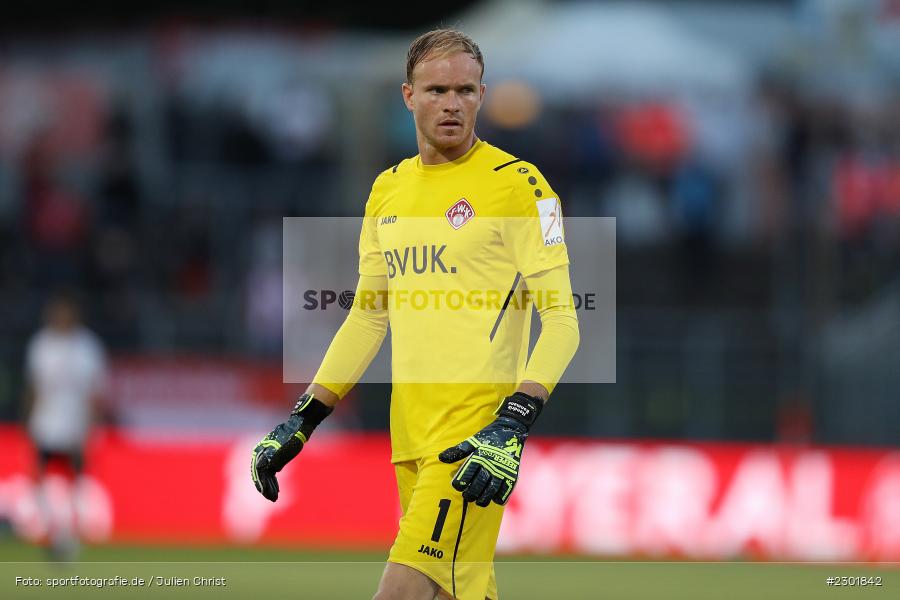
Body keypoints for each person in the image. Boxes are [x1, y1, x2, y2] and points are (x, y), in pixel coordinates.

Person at [252, 29, 579, 600]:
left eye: (464, 90)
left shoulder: (521, 187)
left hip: (473, 441)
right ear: (408, 96)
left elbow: (564, 321)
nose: (451, 103)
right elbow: (367, 318)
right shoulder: (388, 190)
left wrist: (511, 424)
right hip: (408, 438)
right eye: (436, 90)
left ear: (482, 95)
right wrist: (303, 418)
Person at [23, 291, 107, 559]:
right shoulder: (41, 344)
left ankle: (74, 531)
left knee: (77, 479)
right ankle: (50, 527)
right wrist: (28, 419)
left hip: (75, 424)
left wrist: (92, 425)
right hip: (46, 422)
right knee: (40, 476)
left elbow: (96, 391)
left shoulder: (87, 346)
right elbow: (33, 385)